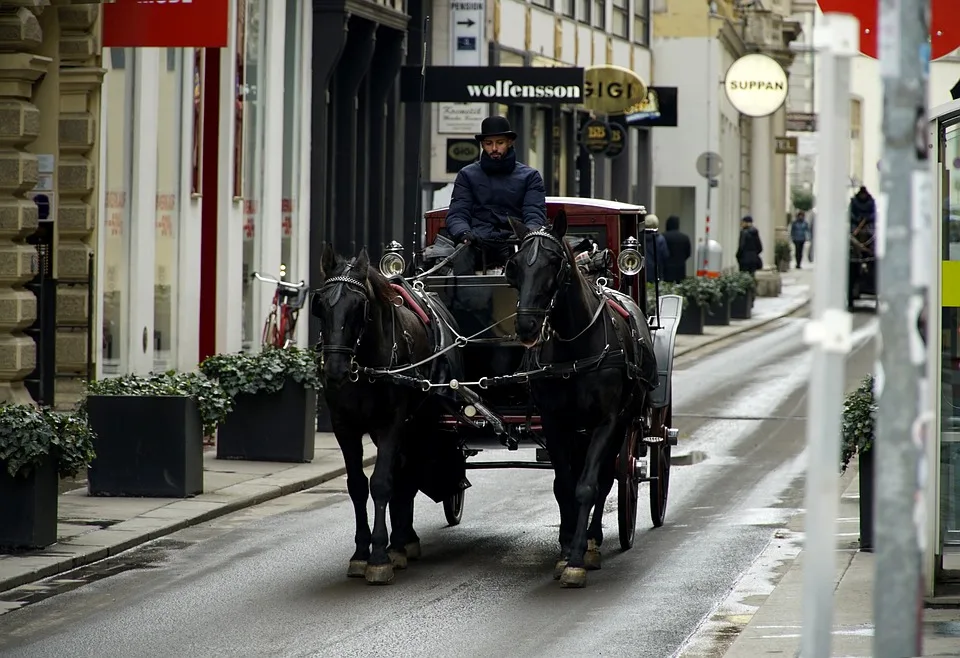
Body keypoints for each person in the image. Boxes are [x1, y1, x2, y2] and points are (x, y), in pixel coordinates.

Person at [445, 116, 547, 271]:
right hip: (477, 242)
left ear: (509, 142)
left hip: (516, 242)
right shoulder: (467, 175)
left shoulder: (530, 176)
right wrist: (464, 233)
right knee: (461, 255)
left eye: (499, 143)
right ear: (482, 145)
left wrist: (527, 234)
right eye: (488, 143)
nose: (494, 148)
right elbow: (458, 213)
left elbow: (534, 213)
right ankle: (464, 296)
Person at [662, 215, 691, 283]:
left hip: (666, 269)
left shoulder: (663, 237)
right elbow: (688, 253)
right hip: (680, 268)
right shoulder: (685, 237)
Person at [643, 214, 670, 281]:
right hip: (656, 272)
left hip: (642, 272)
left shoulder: (640, 238)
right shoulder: (660, 239)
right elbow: (665, 255)